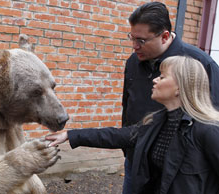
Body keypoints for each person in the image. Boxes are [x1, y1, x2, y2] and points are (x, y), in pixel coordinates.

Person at [46, 56, 219, 194]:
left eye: (163, 76)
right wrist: (70, 135)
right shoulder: (156, 122)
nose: (155, 80)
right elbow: (117, 136)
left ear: (180, 88)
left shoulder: (207, 130)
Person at [122, 2, 219, 193]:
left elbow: (211, 118)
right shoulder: (133, 62)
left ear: (164, 36)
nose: (134, 46)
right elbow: (127, 105)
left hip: (178, 171)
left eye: (141, 40)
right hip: (137, 159)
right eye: (131, 38)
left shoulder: (200, 64)